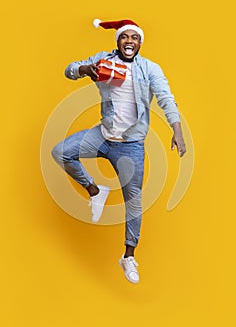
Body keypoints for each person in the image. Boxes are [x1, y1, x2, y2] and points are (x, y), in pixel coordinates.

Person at [52, 19, 186, 284]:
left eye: (135, 38)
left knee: (133, 201)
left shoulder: (149, 69)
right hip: (102, 136)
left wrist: (177, 129)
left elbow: (166, 97)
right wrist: (85, 69)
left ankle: (128, 256)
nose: (130, 41)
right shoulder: (103, 60)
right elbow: (68, 70)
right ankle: (95, 190)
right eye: (125, 37)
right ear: (118, 41)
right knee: (60, 152)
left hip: (131, 146)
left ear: (140, 43)